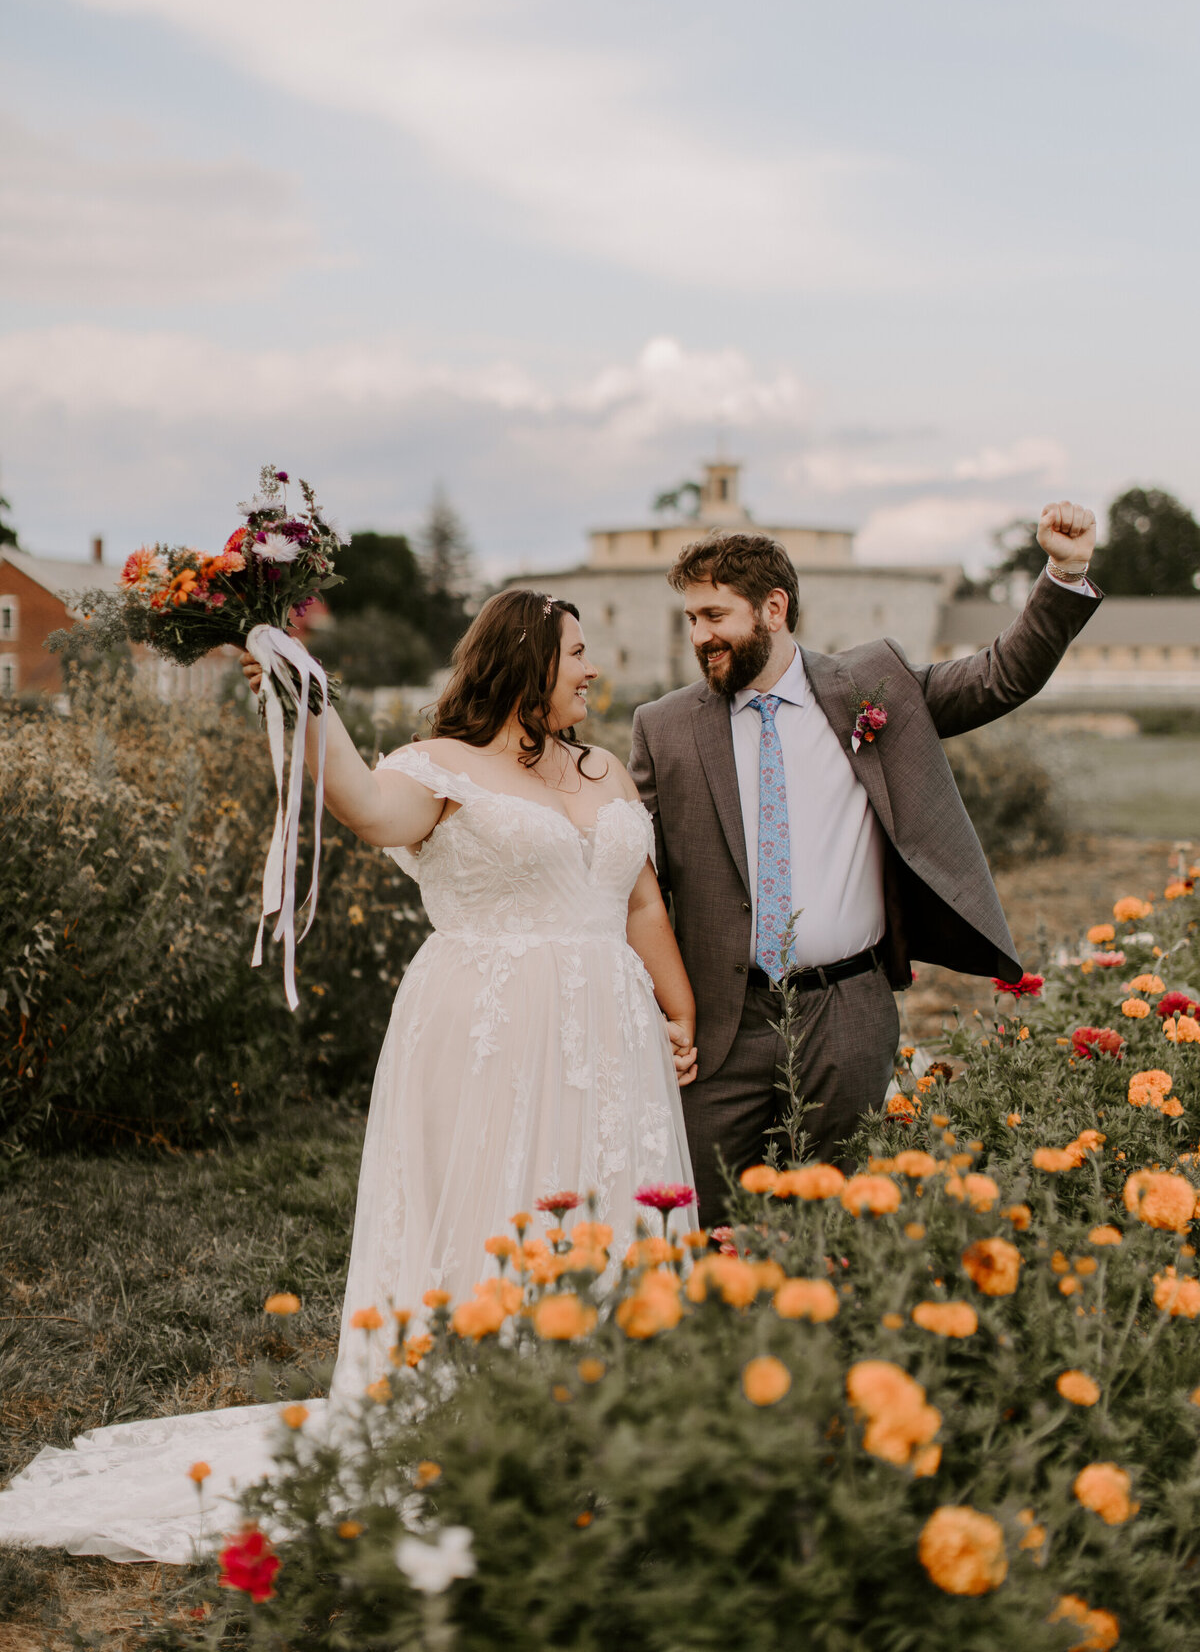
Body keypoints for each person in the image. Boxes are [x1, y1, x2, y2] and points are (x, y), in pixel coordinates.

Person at [0, 589, 697, 1562]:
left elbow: (642, 903)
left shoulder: (604, 766)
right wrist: (303, 696)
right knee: (492, 1208)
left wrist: (678, 1007)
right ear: (525, 659)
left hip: (610, 1024)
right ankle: (479, 1416)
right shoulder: (440, 768)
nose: (591, 670)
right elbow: (365, 810)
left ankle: (609, 1418)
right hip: (490, 1021)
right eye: (576, 653)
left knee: (608, 1199)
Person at [630, 500, 1101, 1227]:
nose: (700, 636)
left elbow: (999, 677)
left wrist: (1063, 574)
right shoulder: (661, 728)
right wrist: (645, 1004)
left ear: (774, 608)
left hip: (846, 1012)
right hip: (720, 1026)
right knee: (706, 1229)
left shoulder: (870, 688)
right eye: (691, 619)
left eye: (715, 616)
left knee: (842, 1224)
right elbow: (632, 884)